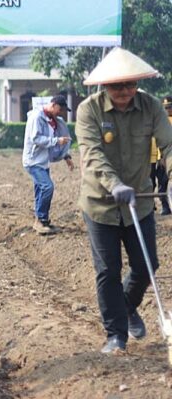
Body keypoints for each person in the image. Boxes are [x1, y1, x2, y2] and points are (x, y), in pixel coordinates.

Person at [75, 48, 172, 354]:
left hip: (140, 201)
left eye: (130, 85)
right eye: (118, 86)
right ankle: (116, 334)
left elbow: (169, 145)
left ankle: (127, 307)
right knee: (108, 270)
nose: (125, 92)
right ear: (105, 85)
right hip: (100, 203)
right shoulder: (88, 110)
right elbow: (92, 153)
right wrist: (114, 184)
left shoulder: (151, 106)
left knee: (147, 265)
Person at [22, 95, 75, 235]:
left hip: (43, 161)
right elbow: (36, 138)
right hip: (33, 161)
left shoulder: (53, 120)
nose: (61, 112)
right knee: (47, 187)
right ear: (53, 105)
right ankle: (40, 220)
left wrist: (66, 156)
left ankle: (42, 220)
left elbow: (59, 138)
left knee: (41, 189)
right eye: (61, 109)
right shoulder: (37, 117)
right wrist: (57, 141)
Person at [153, 96, 172, 215]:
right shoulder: (160, 120)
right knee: (162, 183)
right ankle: (164, 206)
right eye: (165, 107)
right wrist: (161, 158)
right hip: (161, 157)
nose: (168, 109)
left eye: (170, 107)